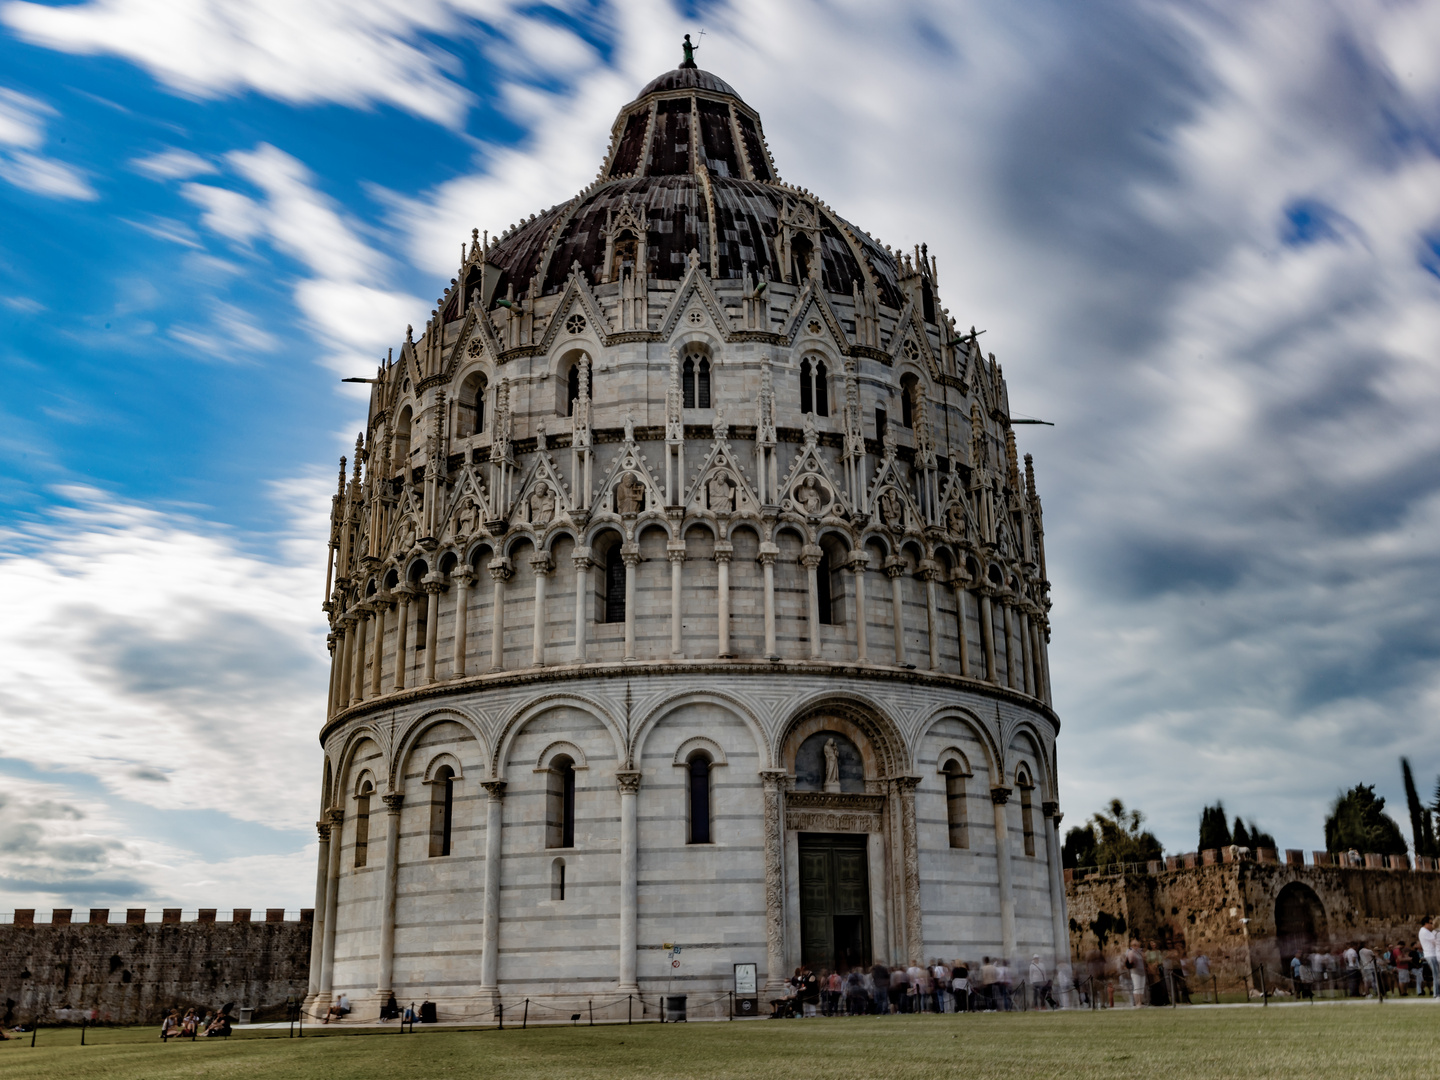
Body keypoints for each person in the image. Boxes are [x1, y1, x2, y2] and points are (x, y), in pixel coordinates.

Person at [1123, 940, 1147, 1007]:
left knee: (1141, 988)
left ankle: (1140, 1002)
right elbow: (1130, 961)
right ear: (1132, 946)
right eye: (1134, 945)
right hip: (1135, 972)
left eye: (1137, 945)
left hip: (1142, 972)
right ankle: (1137, 1003)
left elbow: (1144, 959)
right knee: (1137, 987)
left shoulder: (1140, 953)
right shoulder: (1131, 952)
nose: (1136, 946)